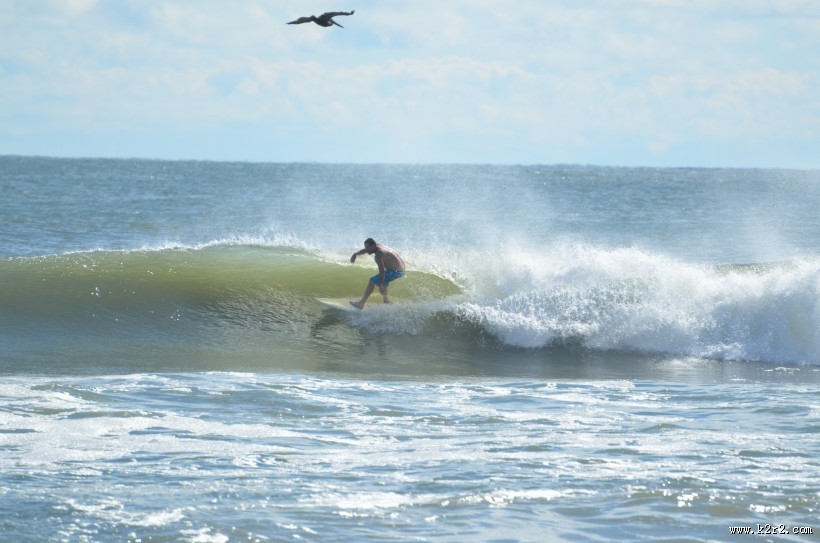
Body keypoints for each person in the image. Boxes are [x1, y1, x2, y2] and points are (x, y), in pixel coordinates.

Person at [349, 238, 405, 309]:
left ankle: (361, 303)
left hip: (396, 272)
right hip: (400, 269)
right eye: (366, 247)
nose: (366, 250)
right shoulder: (378, 246)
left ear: (373, 246)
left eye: (368, 248)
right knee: (385, 280)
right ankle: (386, 301)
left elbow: (382, 272)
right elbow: (365, 250)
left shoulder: (378, 255)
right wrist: (355, 254)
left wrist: (380, 285)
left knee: (372, 281)